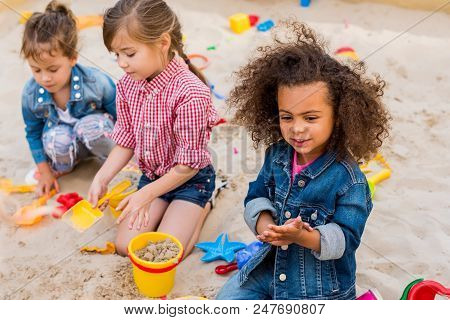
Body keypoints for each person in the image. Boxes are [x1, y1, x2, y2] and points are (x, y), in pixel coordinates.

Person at [217, 21, 390, 300]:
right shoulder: (277, 155)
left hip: (319, 288)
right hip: (269, 270)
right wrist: (266, 227)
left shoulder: (349, 180)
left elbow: (344, 240)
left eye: (310, 118)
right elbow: (256, 195)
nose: (297, 128)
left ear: (339, 116)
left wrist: (300, 237)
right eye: (287, 116)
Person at [88, 0, 218, 257]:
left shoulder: (191, 94)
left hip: (191, 181)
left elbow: (187, 166)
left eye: (129, 53)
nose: (122, 63)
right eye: (116, 55)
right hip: (154, 177)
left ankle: (204, 206)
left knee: (167, 252)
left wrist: (144, 196)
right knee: (127, 246)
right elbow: (126, 140)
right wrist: (102, 177)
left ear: (163, 42)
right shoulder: (127, 85)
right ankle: (169, 209)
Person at [21, 1, 116, 196]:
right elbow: (33, 133)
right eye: (36, 70)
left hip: (97, 137)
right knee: (56, 138)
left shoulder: (95, 82)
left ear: (72, 58)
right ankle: (66, 166)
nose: (44, 78)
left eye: (53, 69)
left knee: (91, 126)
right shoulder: (31, 95)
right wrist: (45, 172)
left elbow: (122, 114)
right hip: (67, 145)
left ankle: (112, 159)